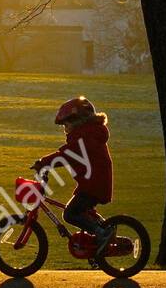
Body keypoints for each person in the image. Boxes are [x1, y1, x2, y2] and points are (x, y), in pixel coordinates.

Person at [33, 96, 115, 252]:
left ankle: (102, 233)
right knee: (82, 211)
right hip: (93, 183)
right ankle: (103, 230)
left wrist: (43, 163)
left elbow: (65, 156)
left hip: (93, 185)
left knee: (70, 214)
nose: (65, 129)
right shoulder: (88, 135)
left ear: (78, 122)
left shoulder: (83, 138)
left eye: (66, 124)